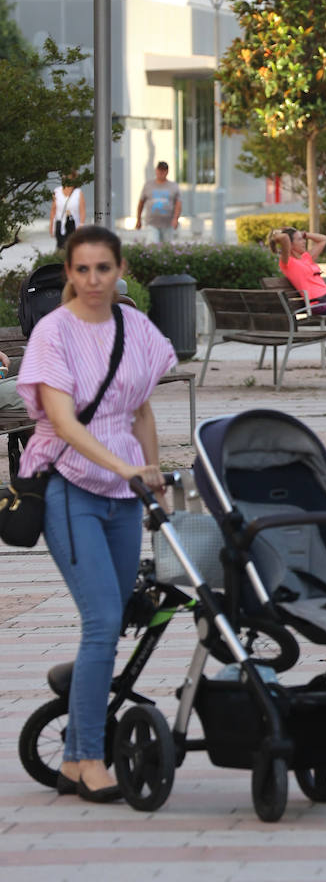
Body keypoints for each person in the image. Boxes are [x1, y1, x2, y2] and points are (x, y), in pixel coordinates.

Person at [15, 225, 176, 801]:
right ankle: (87, 759)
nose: (92, 280)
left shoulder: (135, 328)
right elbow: (62, 423)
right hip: (69, 486)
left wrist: (152, 480)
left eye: (102, 268)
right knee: (104, 620)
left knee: (116, 620)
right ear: (69, 272)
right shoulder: (53, 333)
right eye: (81, 269)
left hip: (124, 495)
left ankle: (70, 760)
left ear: (119, 270)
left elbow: (141, 412)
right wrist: (124, 467)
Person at [268, 226, 326, 367]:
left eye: (303, 239)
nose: (304, 241)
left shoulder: (307, 258)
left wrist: (304, 234)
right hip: (317, 303)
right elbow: (284, 238)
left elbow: (323, 239)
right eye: (299, 239)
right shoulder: (287, 262)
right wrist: (277, 234)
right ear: (290, 244)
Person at [135, 162, 181, 243]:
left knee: (167, 246)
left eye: (164, 170)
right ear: (156, 170)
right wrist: (138, 219)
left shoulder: (173, 186)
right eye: (160, 170)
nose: (161, 172)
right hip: (152, 223)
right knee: (152, 244)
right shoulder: (148, 185)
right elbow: (141, 203)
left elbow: (178, 204)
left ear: (167, 171)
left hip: (168, 223)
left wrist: (176, 218)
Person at [50, 176, 86, 250]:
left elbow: (82, 210)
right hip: (60, 223)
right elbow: (53, 210)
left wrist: (81, 225)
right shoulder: (57, 191)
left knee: (73, 246)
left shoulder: (78, 192)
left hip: (74, 224)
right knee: (61, 245)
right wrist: (51, 226)